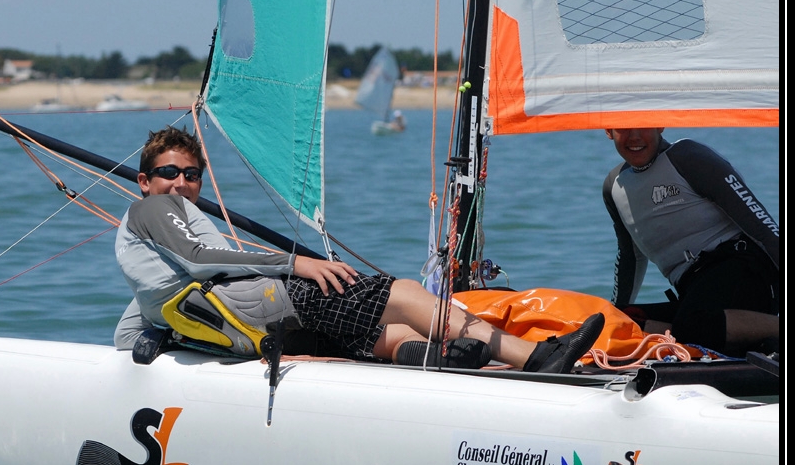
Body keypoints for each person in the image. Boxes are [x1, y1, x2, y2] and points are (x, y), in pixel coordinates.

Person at [113, 125, 605, 372]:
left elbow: (135, 320)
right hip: (259, 308)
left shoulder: (151, 239)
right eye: (168, 173)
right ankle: (535, 358)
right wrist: (297, 263)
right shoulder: (153, 211)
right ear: (144, 181)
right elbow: (201, 259)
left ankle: (441, 357)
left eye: (191, 174)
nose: (181, 183)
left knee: (377, 334)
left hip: (241, 331)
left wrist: (154, 341)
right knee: (408, 294)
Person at [602, 128, 780, 355]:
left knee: (694, 323)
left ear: (660, 125)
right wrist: (616, 310)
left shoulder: (688, 157)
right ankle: (725, 342)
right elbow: (630, 257)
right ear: (608, 132)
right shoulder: (614, 185)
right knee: (619, 321)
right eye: (623, 129)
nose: (635, 137)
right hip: (695, 291)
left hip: (744, 269)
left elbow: (762, 227)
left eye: (644, 126)